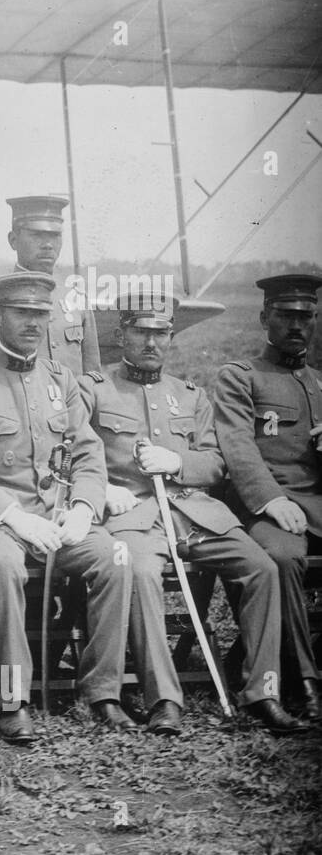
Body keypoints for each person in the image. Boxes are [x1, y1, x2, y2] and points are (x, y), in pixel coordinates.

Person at [81, 284, 308, 735]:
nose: (152, 343)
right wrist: (104, 489)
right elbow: (74, 454)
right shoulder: (96, 390)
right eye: (142, 332)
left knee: (262, 568)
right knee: (142, 573)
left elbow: (217, 464)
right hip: (136, 518)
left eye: (162, 333)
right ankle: (164, 698)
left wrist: (177, 462)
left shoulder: (190, 395)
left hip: (197, 516)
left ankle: (263, 692)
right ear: (121, 335)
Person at [0, 272, 132, 744]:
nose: (32, 323)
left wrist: (83, 507)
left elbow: (87, 452)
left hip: (57, 518)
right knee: (3, 566)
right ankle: (12, 700)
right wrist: (15, 518)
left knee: (116, 557)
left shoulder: (61, 380)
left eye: (41, 315)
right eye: (21, 313)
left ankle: (103, 693)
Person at [214, 273, 322, 723]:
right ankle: (305, 680)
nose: (297, 326)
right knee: (280, 559)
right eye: (286, 316)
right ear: (264, 318)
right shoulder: (241, 377)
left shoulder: (319, 381)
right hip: (267, 506)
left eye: (306, 317)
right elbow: (238, 447)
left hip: (315, 502)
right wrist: (271, 500)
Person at [0, 195, 100, 377]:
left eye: (55, 236)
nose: (47, 245)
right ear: (13, 240)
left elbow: (93, 379)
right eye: (37, 235)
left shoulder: (77, 298)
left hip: (73, 404)